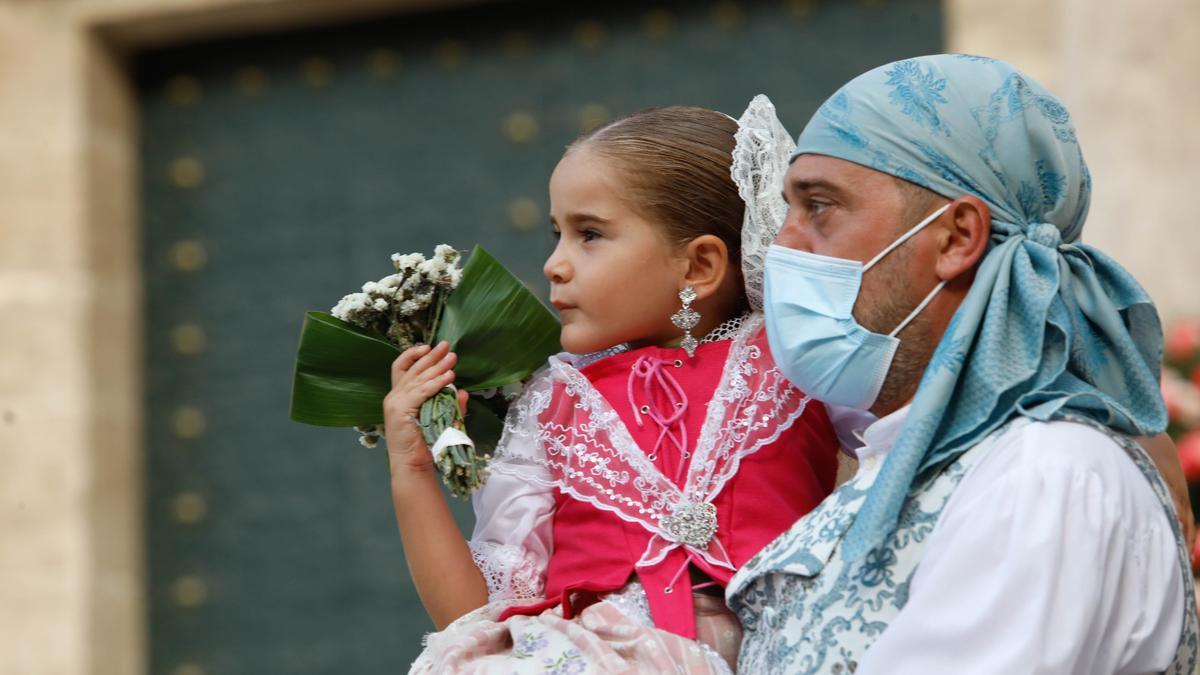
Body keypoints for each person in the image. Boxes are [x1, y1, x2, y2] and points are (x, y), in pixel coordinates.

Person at [728, 54, 1200, 673]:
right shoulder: (924, 462)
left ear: (956, 238)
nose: (783, 242)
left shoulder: (1044, 472)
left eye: (818, 206)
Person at [384, 100, 844, 673]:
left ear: (698, 265)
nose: (554, 264)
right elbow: (480, 616)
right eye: (557, 234)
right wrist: (412, 468)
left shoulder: (798, 357)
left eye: (590, 234)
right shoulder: (553, 404)